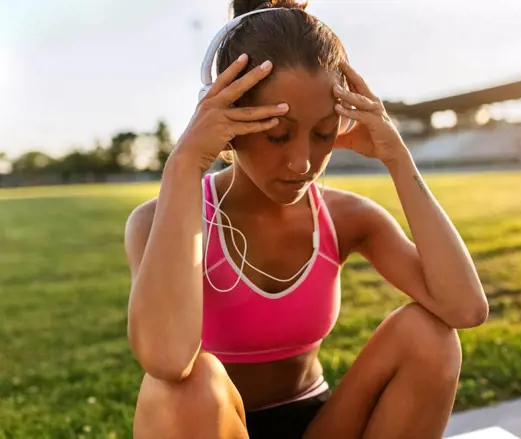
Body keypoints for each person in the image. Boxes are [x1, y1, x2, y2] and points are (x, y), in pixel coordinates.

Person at [124, 1, 489, 438]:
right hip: (214, 426)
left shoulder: (347, 217)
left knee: (430, 337)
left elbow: (464, 309)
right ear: (230, 122)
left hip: (321, 425)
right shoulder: (154, 223)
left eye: (322, 134)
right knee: (187, 386)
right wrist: (183, 165)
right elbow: (166, 361)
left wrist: (396, 156)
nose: (303, 163)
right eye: (278, 134)